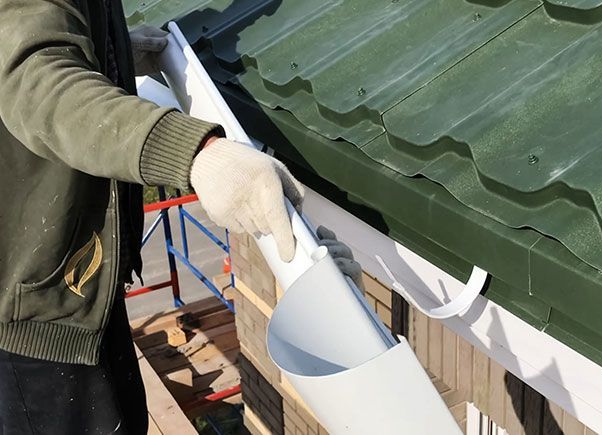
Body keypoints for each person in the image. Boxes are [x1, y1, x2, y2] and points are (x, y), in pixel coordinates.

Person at [0, 1, 361, 434]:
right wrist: (195, 154)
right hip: (39, 318)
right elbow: (35, 84)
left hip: (79, 294)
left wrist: (108, 52)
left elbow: (28, 37)